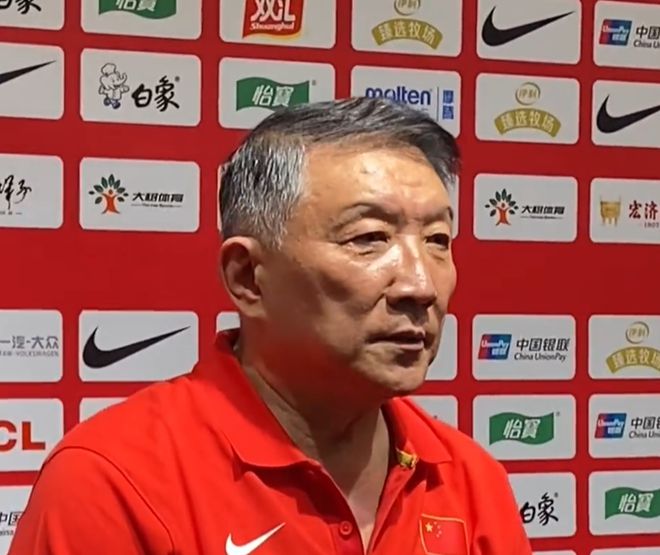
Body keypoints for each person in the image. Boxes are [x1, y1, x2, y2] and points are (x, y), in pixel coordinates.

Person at [9, 97, 532, 555]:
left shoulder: (468, 479)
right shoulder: (113, 480)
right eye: (369, 238)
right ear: (248, 278)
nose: (420, 285)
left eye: (438, 240)